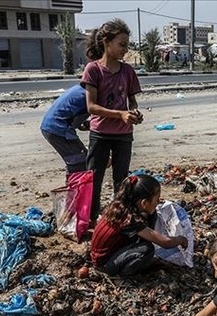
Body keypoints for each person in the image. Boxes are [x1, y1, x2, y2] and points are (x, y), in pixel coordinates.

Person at [81, 19, 143, 225]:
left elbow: (132, 98)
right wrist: (120, 114)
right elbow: (91, 107)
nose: (126, 50)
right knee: (94, 178)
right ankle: (90, 220)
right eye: (122, 45)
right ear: (107, 43)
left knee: (121, 180)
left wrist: (134, 112)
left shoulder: (128, 72)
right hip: (100, 132)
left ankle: (117, 219)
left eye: (127, 45)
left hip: (124, 134)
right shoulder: (93, 70)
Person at [90, 174, 187, 277]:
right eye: (156, 200)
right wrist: (180, 239)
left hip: (109, 254)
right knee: (147, 249)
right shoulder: (129, 219)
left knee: (152, 214)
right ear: (144, 203)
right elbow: (165, 242)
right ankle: (124, 273)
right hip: (105, 264)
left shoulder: (120, 206)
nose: (158, 202)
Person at [40, 84, 90, 176]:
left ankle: (73, 184)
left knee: (75, 159)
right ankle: (77, 188)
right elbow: (94, 110)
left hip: (49, 126)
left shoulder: (78, 89)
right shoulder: (89, 94)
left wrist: (82, 124)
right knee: (79, 162)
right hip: (59, 129)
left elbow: (71, 111)